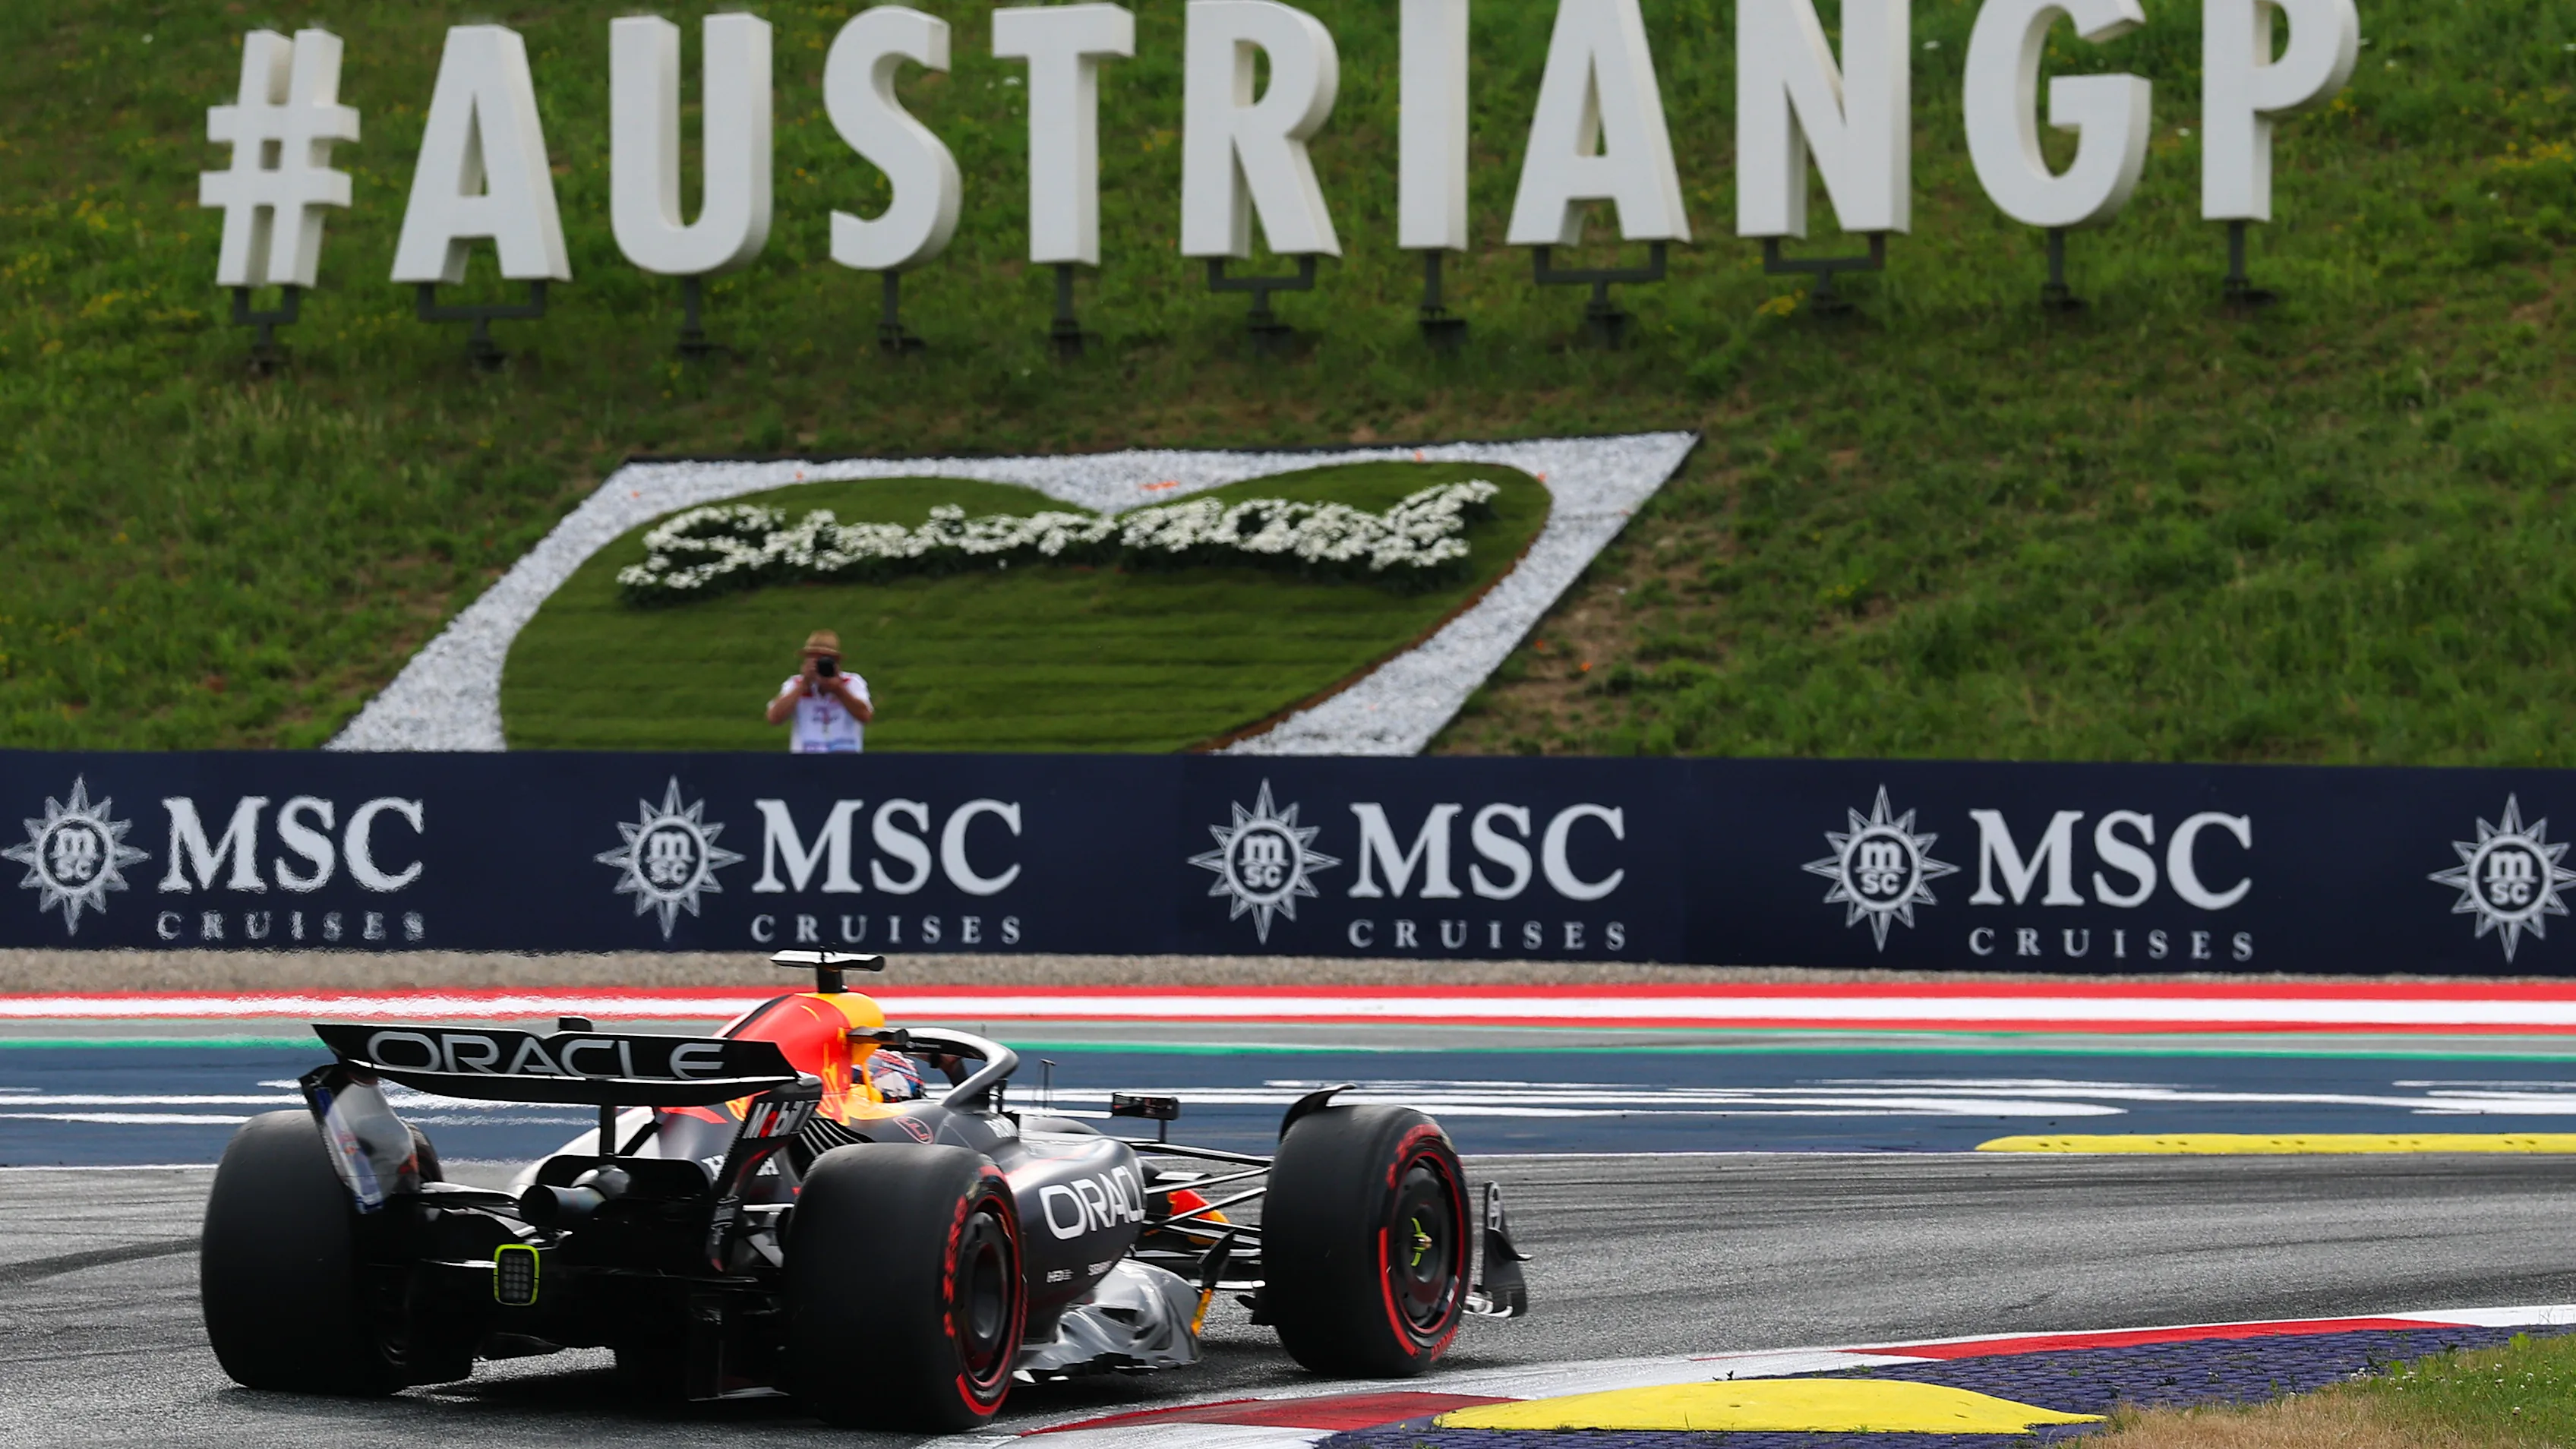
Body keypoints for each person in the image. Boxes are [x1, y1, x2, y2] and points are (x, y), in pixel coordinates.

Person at [765, 629, 875, 753]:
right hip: (806, 760)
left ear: (836, 662)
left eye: (825, 659)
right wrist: (803, 685)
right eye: (814, 658)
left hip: (845, 758)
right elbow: (774, 718)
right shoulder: (795, 684)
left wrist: (839, 690)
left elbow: (865, 716)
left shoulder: (852, 683)